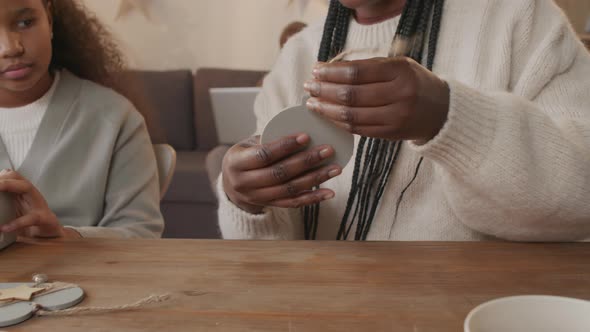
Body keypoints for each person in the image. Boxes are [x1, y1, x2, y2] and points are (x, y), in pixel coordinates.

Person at [218, 0, 590, 241]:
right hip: (326, 307)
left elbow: (582, 198)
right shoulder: (299, 52)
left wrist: (450, 118)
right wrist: (247, 202)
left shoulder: (520, 18)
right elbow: (275, 255)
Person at [0, 0, 163, 239]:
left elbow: (142, 233)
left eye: (26, 22)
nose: (10, 47)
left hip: (88, 276)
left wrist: (65, 237)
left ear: (50, 20)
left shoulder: (115, 118)